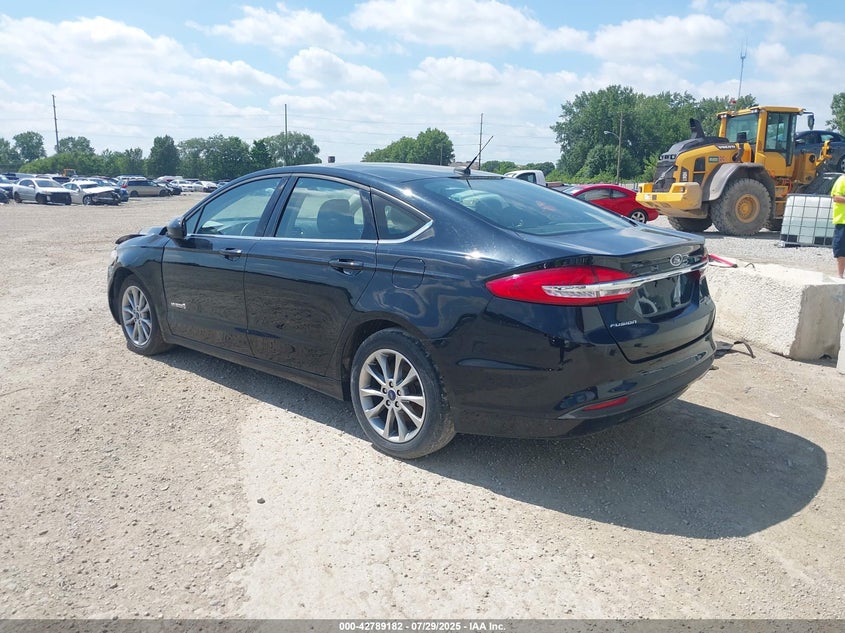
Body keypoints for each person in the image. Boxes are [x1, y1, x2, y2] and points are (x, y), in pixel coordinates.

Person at [833, 173, 845, 278]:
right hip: (842, 221)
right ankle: (840, 275)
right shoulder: (842, 180)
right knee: (841, 249)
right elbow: (836, 197)